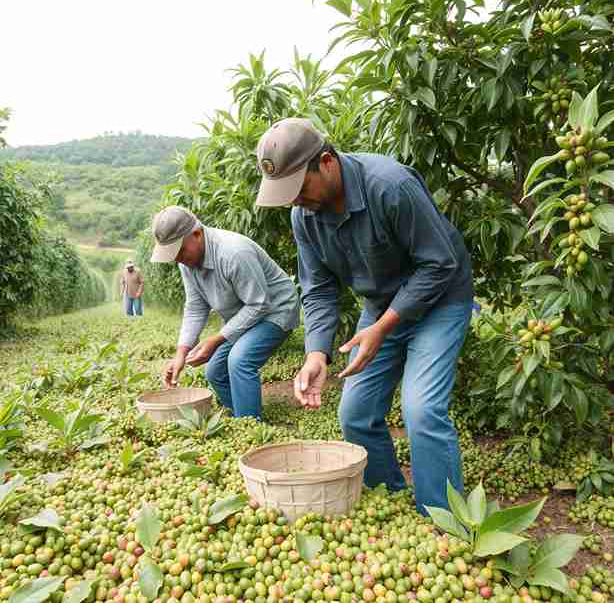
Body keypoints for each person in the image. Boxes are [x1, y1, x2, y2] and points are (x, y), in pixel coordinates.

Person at [255, 118, 474, 514]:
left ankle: (445, 521)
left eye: (299, 188)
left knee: (422, 411)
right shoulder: (304, 216)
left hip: (440, 299)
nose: (294, 201)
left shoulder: (390, 186)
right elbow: (319, 288)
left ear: (326, 162)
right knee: (356, 414)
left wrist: (384, 326)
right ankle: (390, 501)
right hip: (379, 309)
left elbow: (439, 264)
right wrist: (316, 355)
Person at [150, 205, 300, 419]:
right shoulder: (186, 262)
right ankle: (244, 415)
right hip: (245, 315)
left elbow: (259, 304)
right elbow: (195, 306)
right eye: (172, 254)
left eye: (180, 251)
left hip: (275, 310)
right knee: (214, 372)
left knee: (239, 360)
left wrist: (216, 339)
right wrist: (180, 354)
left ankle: (249, 426)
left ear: (197, 234)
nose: (178, 259)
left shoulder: (233, 252)